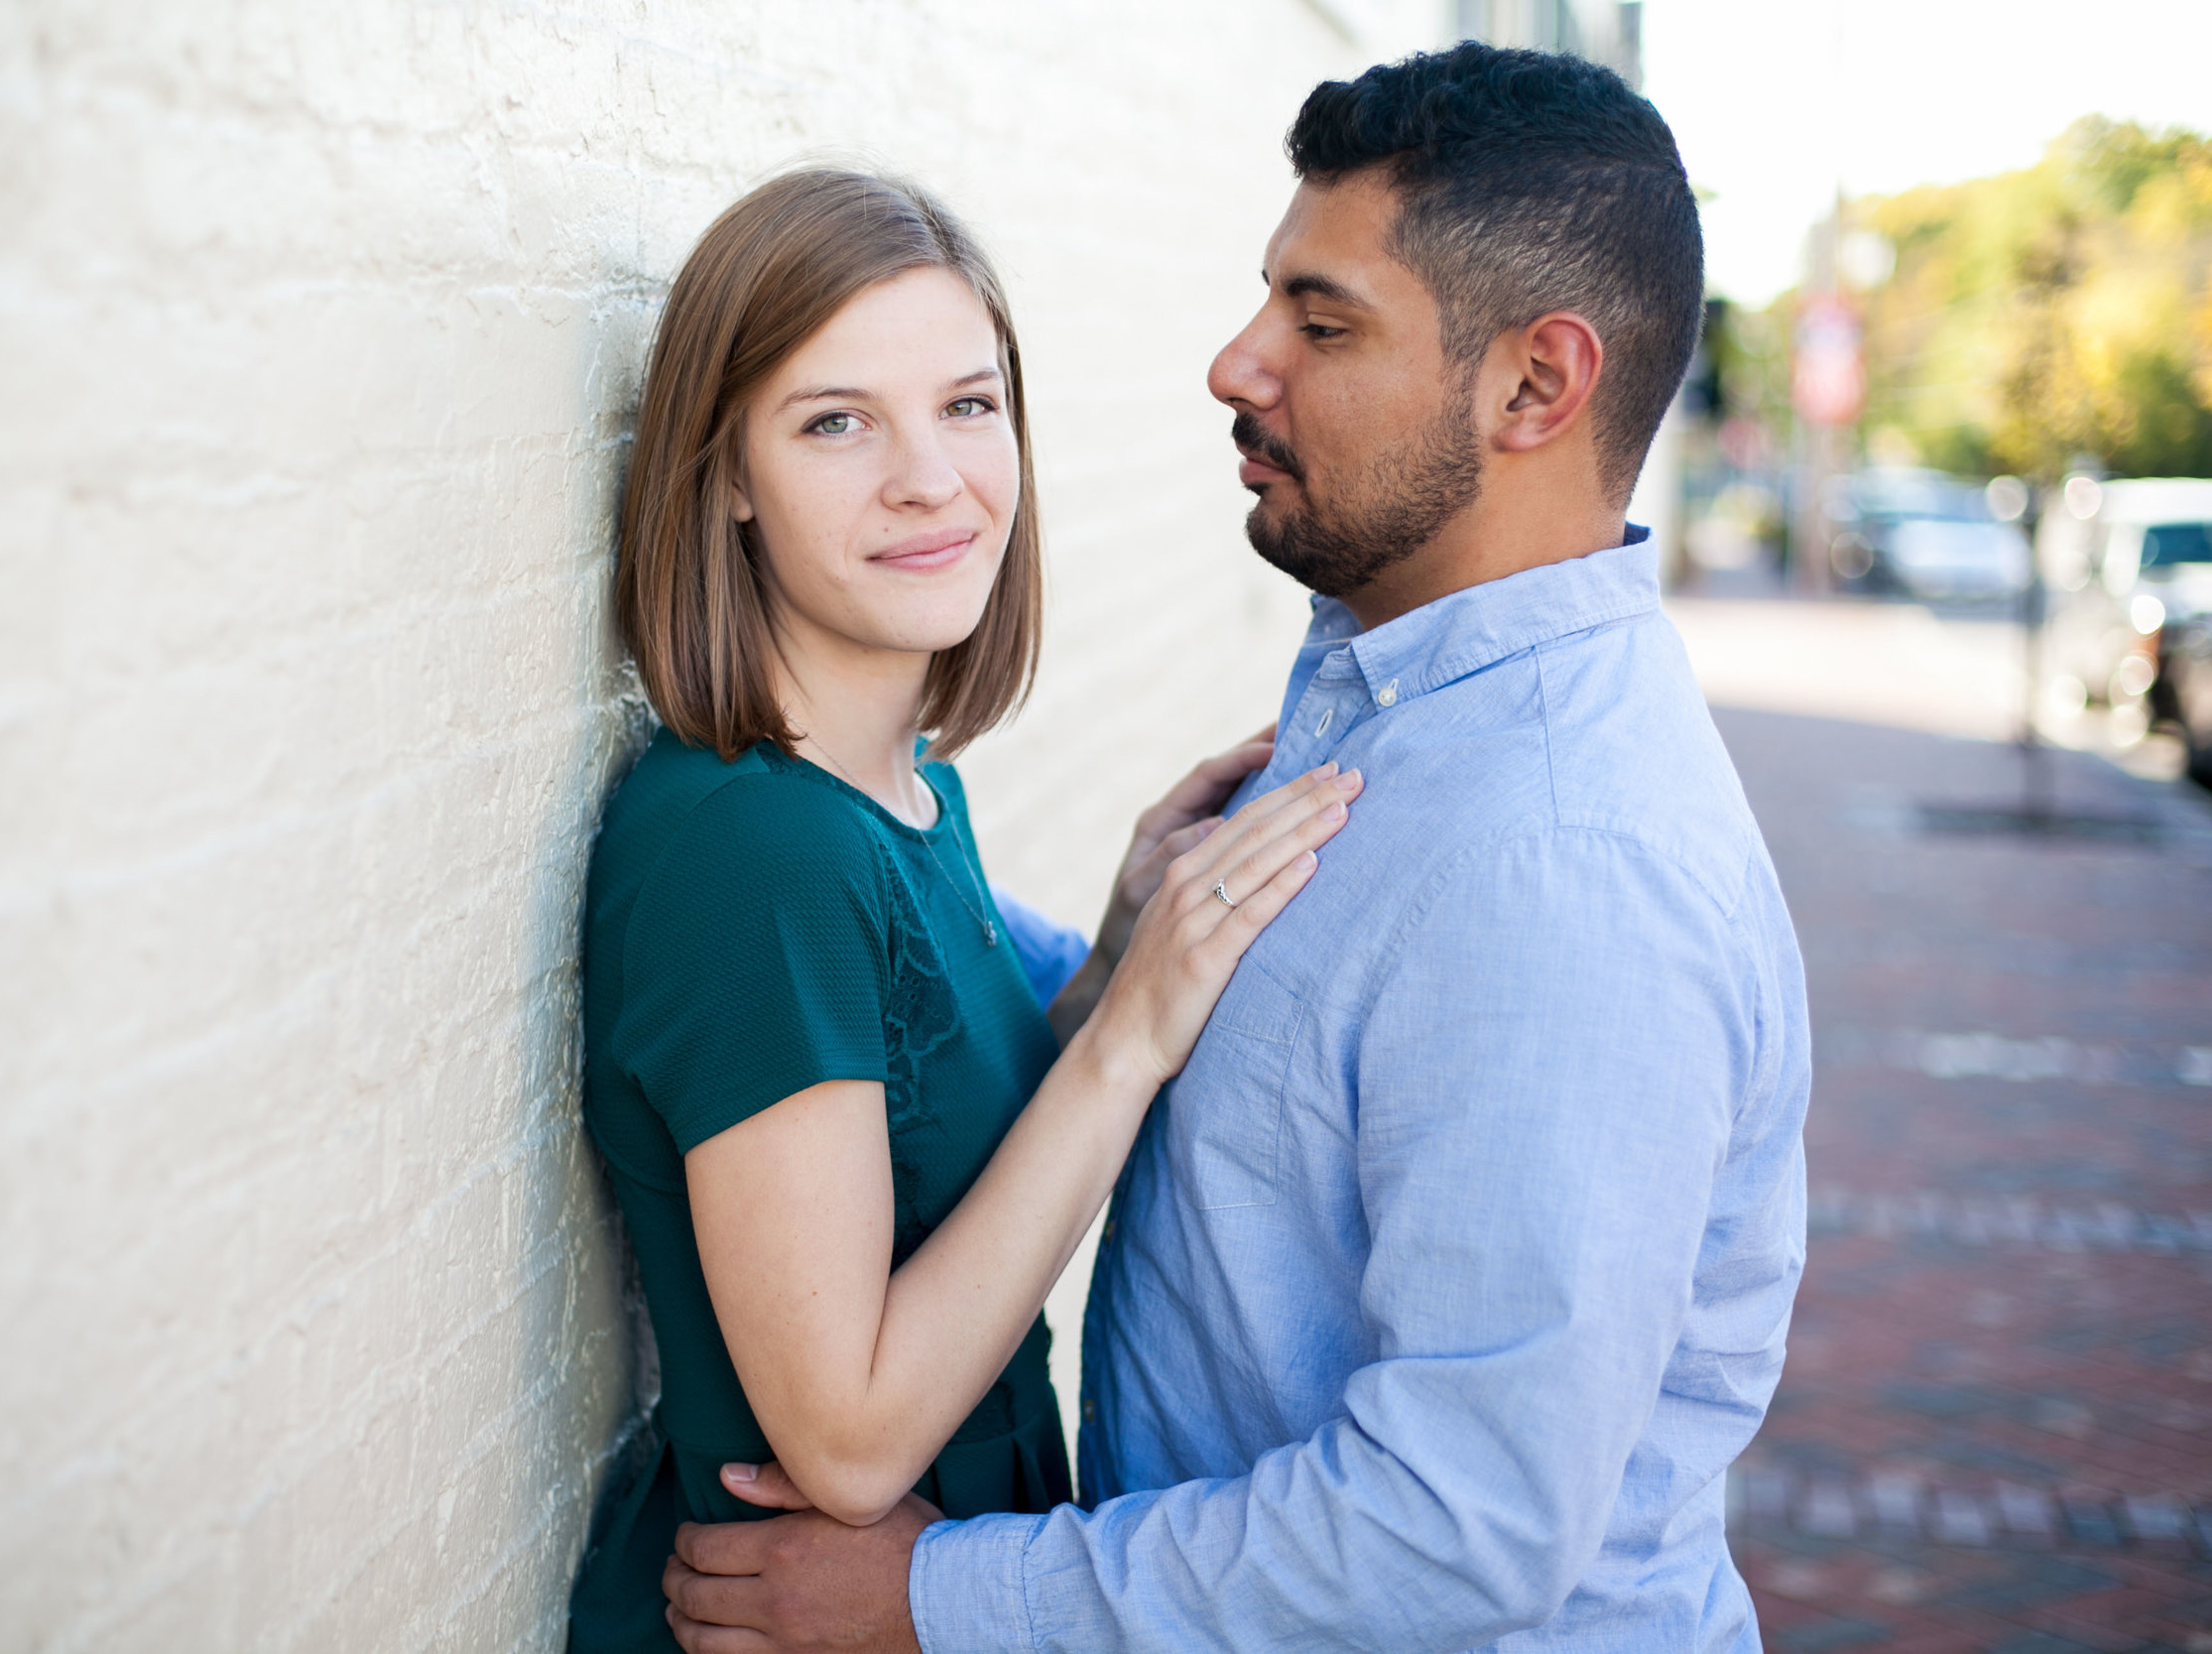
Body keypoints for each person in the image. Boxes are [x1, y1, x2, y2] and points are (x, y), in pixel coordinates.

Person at [659, 44, 1811, 1653]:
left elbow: (1455, 1525)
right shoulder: (1397, 685)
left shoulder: (1565, 869)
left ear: (1537, 387)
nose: (1235, 362)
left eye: (1322, 323)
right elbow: (1289, 1101)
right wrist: (1106, 966)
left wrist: (943, 1599)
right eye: (1267, 296)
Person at [565, 169, 1363, 1651]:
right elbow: (849, 1438)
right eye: (834, 421)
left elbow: (924, 1133)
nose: (929, 477)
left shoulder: (907, 790)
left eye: (968, 404)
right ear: (724, 472)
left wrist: (1112, 955)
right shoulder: (759, 852)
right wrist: (1127, 1037)